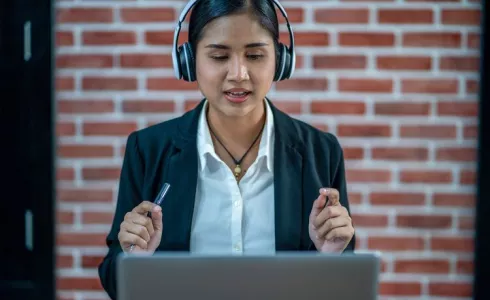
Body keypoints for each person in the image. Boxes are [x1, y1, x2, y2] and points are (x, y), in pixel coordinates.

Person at [98, 0, 356, 298]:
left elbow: (346, 287)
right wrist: (136, 260)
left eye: (255, 55)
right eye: (219, 56)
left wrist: (330, 258)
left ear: (282, 60)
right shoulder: (148, 149)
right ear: (189, 60)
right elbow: (114, 282)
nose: (239, 74)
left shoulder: (321, 152)